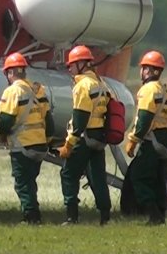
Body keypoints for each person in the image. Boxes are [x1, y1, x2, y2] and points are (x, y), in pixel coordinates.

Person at [56, 45, 112, 226]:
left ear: (81, 64)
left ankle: (72, 217)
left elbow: (80, 119)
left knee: (68, 174)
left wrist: (69, 145)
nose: (70, 69)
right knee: (98, 177)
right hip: (99, 137)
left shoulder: (82, 86)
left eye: (71, 65)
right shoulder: (101, 84)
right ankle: (105, 216)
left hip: (84, 137)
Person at [0, 52, 55, 224]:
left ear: (9, 73)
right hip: (40, 146)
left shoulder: (12, 92)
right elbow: (49, 120)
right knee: (30, 182)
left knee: (22, 184)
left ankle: (31, 217)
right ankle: (34, 213)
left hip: (23, 146)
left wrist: (2, 134)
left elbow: (6, 120)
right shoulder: (38, 90)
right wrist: (48, 139)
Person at [124, 50, 167, 225]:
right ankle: (160, 212)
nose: (141, 71)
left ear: (149, 70)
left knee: (139, 176)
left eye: (143, 68)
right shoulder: (166, 91)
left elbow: (144, 118)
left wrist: (133, 140)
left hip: (151, 140)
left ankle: (152, 213)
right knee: (160, 178)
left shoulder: (148, 90)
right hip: (165, 139)